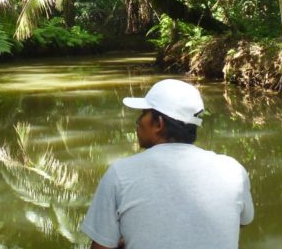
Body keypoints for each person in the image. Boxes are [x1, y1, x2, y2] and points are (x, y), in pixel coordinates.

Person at [81, 79, 254, 249]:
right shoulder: (232, 170)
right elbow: (240, 221)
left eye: (143, 114)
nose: (138, 122)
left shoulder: (120, 174)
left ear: (158, 124)